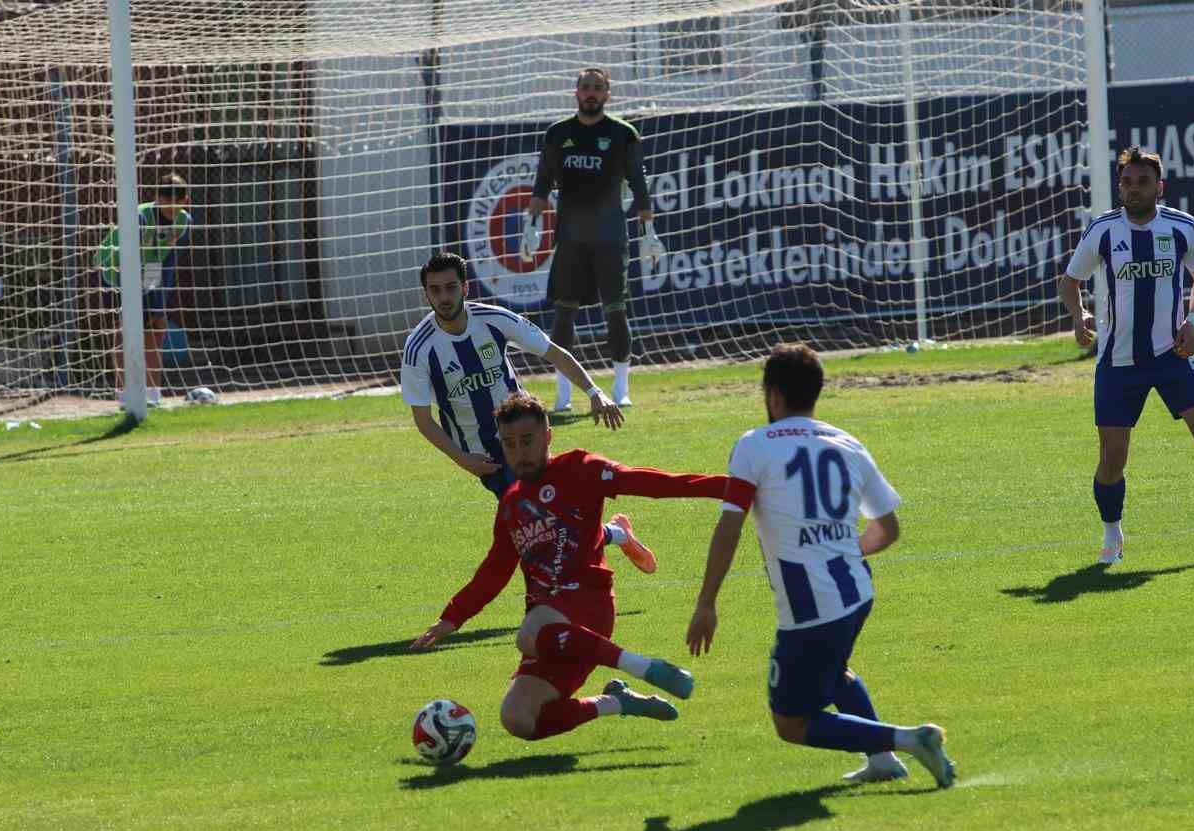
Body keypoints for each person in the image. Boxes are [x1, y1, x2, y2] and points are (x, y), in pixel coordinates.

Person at [683, 344, 956, 789]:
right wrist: (840, 551)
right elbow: (887, 529)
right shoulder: (846, 442)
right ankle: (884, 761)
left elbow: (729, 525)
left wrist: (706, 603)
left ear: (772, 396)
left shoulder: (753, 446)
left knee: (790, 721)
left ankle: (909, 740)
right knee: (835, 672)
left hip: (811, 608)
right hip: (857, 594)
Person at [410, 393, 730, 742]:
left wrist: (730, 488)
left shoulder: (581, 468)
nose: (519, 451)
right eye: (509, 443)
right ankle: (615, 702)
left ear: (548, 436)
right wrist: (451, 618)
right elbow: (493, 571)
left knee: (527, 634)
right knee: (519, 719)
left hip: (588, 605)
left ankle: (646, 667)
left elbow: (654, 483)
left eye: (528, 441)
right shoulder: (511, 505)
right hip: (551, 631)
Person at [1060, 147, 1194, 564]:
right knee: (1112, 458)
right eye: (1126, 182)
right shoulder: (1102, 230)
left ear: (1160, 187)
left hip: (1172, 356)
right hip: (1118, 361)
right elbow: (1070, 281)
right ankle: (1112, 538)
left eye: (1142, 182)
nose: (1133, 189)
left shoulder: (1182, 227)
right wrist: (1079, 313)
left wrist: (1192, 322)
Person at [403, 250, 657, 573]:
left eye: (451, 287)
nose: (443, 297)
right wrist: (462, 459)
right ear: (426, 293)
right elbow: (422, 420)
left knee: (535, 523)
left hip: (525, 435)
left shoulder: (495, 319)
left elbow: (554, 352)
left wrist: (595, 392)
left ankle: (563, 591)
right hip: (481, 453)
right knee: (547, 518)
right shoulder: (418, 348)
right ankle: (615, 536)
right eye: (435, 290)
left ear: (465, 288)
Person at [521, 66, 662, 413]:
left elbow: (639, 184)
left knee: (616, 311)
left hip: (611, 238)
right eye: (585, 87)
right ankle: (564, 394)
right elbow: (542, 182)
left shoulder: (622, 133)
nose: (591, 93)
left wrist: (649, 232)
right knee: (564, 315)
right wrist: (531, 222)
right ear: (576, 92)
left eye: (597, 88)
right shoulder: (558, 134)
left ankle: (621, 387)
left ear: (607, 95)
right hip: (570, 239)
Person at [95, 173, 192, 408]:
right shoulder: (139, 218)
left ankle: (152, 395)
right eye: (165, 199)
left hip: (151, 269)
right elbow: (121, 257)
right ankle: (124, 395)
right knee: (127, 329)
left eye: (175, 201)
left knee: (157, 327)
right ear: (156, 198)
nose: (170, 206)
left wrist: (159, 299)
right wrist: (134, 292)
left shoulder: (184, 222)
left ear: (184, 201)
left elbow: (168, 262)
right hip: (114, 269)